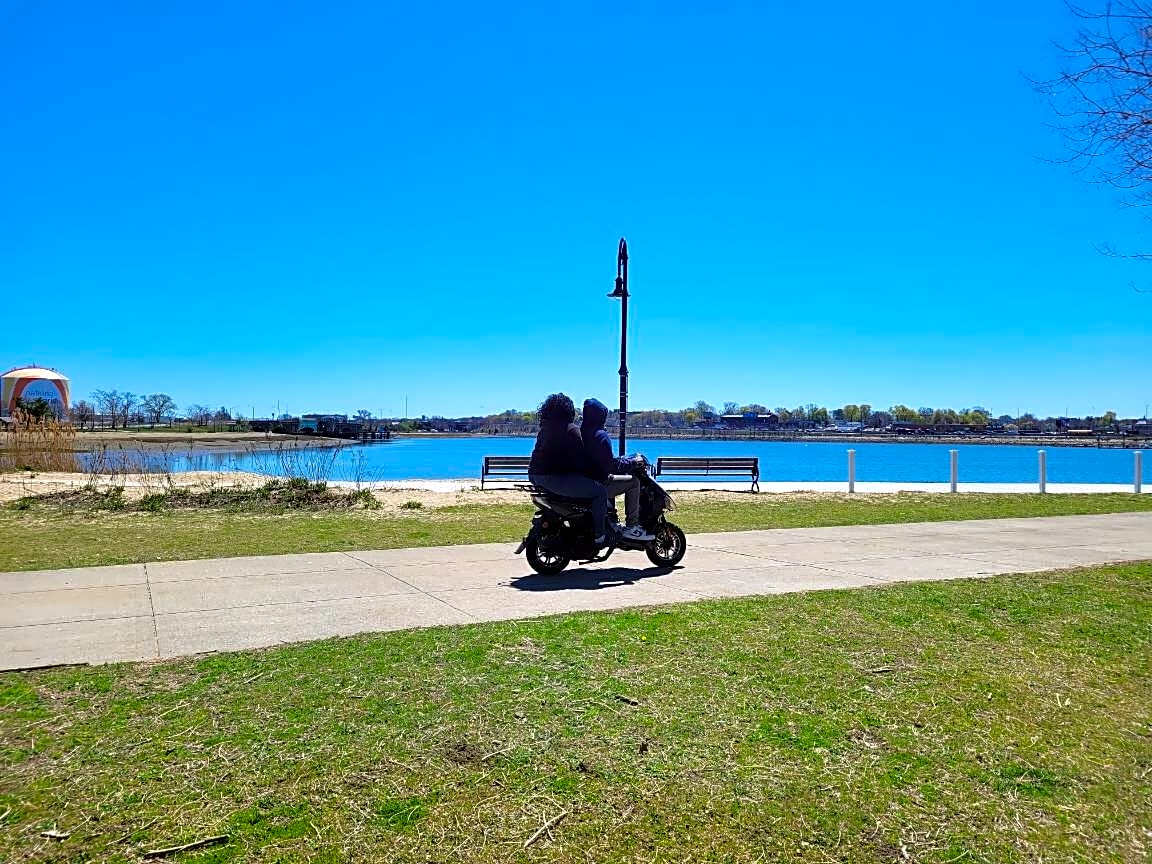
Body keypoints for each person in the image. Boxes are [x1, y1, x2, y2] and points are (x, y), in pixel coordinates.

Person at [528, 392, 610, 545]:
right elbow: (581, 462)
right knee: (600, 492)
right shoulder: (571, 430)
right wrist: (597, 473)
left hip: (535, 475)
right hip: (553, 477)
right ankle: (600, 535)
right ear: (569, 411)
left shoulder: (545, 429)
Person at [580, 398, 654, 541]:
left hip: (586, 480)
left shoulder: (580, 432)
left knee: (615, 478)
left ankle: (612, 519)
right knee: (634, 482)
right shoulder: (600, 436)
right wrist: (633, 462)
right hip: (600, 481)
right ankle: (632, 526)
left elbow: (604, 460)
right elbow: (612, 466)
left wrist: (624, 460)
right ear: (601, 415)